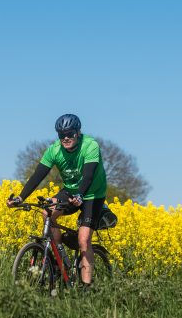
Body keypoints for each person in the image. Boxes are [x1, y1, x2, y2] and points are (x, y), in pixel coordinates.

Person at [7, 114, 107, 287]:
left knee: (83, 240)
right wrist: (20, 197)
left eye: (70, 134)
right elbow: (38, 175)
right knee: (47, 212)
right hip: (70, 190)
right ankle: (59, 261)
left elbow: (88, 176)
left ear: (78, 132)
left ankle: (86, 289)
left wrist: (80, 195)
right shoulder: (54, 150)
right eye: (62, 135)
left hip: (92, 194)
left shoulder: (90, 146)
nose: (66, 138)